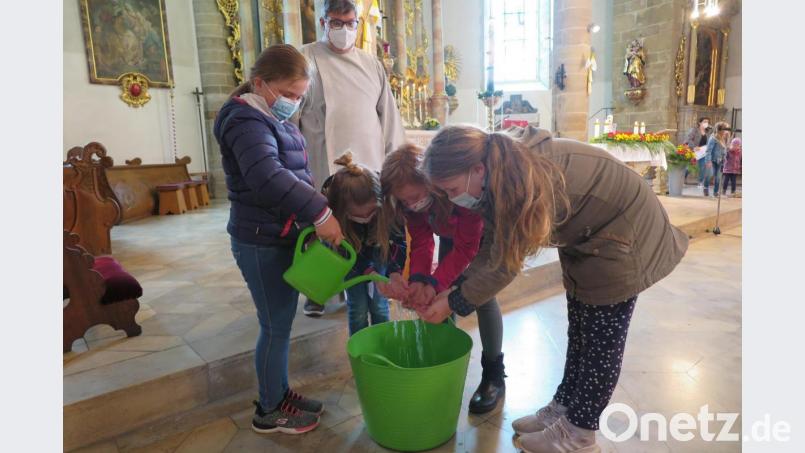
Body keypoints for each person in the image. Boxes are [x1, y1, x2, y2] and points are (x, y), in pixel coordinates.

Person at [420, 125, 689, 453]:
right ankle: (564, 408)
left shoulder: (519, 180)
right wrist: (456, 289)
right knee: (579, 332)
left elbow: (506, 262)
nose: (452, 199)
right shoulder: (496, 176)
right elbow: (492, 246)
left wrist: (456, 302)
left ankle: (579, 435)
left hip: (623, 233)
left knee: (600, 343)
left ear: (476, 170)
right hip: (589, 233)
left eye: (450, 189)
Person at [213, 44, 344, 435]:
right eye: (288, 94)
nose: (293, 103)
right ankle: (269, 410)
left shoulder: (270, 117)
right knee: (274, 327)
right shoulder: (245, 121)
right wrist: (320, 211)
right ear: (260, 83)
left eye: (299, 96)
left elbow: (292, 172)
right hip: (259, 240)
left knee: (281, 324)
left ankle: (280, 392)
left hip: (277, 235)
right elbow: (267, 177)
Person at [376, 144, 506, 414]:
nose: (412, 204)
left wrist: (438, 283)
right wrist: (421, 280)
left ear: (431, 182)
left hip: (479, 240)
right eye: (404, 201)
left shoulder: (459, 195)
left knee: (482, 297)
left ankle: (493, 372)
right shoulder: (412, 205)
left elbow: (467, 248)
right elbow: (422, 241)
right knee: (438, 298)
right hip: (451, 238)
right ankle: (444, 360)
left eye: (415, 196)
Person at [296, 0, 406, 317]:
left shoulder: (372, 64)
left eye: (350, 23)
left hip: (367, 166)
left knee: (363, 231)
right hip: (321, 161)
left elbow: (389, 119)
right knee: (324, 228)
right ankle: (318, 290)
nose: (344, 30)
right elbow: (292, 118)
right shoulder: (305, 58)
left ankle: (361, 283)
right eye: (336, 23)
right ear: (322, 23)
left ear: (358, 23)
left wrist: (394, 166)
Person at [322, 151, 407, 335]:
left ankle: (383, 343)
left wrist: (395, 271)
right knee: (358, 308)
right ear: (342, 211)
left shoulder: (388, 210)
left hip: (379, 254)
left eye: (370, 213)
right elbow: (346, 253)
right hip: (351, 262)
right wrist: (368, 270)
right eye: (358, 216)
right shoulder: (337, 221)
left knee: (379, 304)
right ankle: (360, 350)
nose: (366, 219)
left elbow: (398, 243)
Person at [704, 122, 731, 197]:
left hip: (720, 161)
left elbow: (725, 150)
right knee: (710, 174)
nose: (727, 131)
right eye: (726, 129)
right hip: (712, 160)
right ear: (720, 129)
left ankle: (716, 192)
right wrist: (708, 161)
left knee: (718, 177)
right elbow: (708, 150)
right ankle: (705, 187)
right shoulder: (713, 138)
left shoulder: (725, 138)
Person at [684, 116, 710, 188]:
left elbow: (709, 142)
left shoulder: (708, 132)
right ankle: (683, 177)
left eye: (707, 122)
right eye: (704, 121)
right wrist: (694, 147)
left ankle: (700, 182)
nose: (706, 123)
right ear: (700, 123)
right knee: (690, 167)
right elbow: (688, 139)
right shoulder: (694, 130)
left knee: (702, 167)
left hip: (703, 152)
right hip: (695, 151)